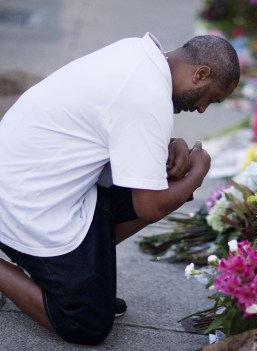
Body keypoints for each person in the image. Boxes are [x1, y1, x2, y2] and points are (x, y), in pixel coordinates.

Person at [0, 32, 240, 345]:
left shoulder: (139, 55)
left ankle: (86, 274)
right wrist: (200, 170)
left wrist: (170, 145)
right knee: (85, 323)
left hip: (31, 182)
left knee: (168, 177)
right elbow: (149, 206)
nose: (204, 109)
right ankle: (60, 280)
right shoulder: (147, 95)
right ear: (201, 74)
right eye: (212, 97)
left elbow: (112, 124)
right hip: (26, 206)